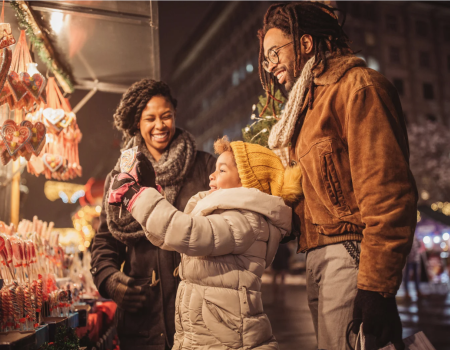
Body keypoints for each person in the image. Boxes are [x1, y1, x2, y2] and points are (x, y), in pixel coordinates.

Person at [259, 2, 418, 349]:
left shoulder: (358, 87)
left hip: (349, 255)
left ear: (305, 43)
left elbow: (387, 193)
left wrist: (376, 286)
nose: (270, 66)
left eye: (275, 53)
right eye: (265, 58)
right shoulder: (306, 108)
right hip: (318, 258)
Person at [107, 137, 303, 350]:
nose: (212, 175)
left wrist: (136, 197)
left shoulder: (245, 219)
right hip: (208, 334)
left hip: (229, 338)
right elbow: (168, 237)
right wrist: (147, 192)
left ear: (246, 181)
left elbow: (189, 233)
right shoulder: (224, 213)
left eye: (222, 171)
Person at [90, 79, 216, 350]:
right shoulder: (121, 178)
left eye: (166, 116)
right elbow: (104, 243)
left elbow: (224, 229)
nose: (160, 126)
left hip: (200, 316)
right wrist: (110, 281)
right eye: (150, 118)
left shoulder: (205, 167)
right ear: (138, 123)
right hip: (142, 322)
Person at [403, 236, 423, 301]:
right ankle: (406, 292)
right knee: (407, 276)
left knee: (417, 276)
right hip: (409, 259)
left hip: (416, 259)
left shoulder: (416, 237)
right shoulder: (407, 235)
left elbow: (419, 246)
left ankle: (418, 291)